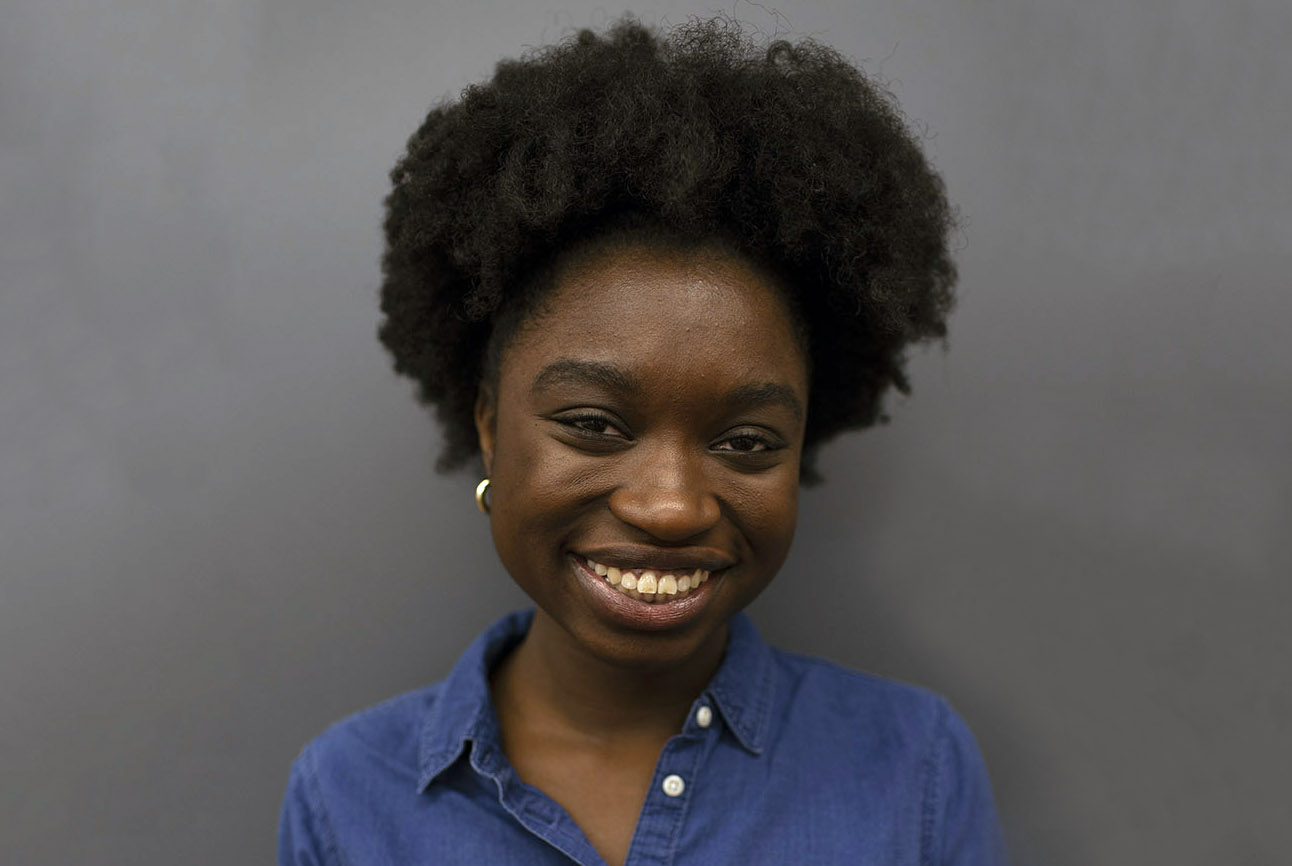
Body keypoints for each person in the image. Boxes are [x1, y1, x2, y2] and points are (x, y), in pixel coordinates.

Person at [279, 16, 1006, 866]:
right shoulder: (346, 799)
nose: (671, 507)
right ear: (490, 425)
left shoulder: (914, 773)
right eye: (593, 425)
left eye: (746, 441)